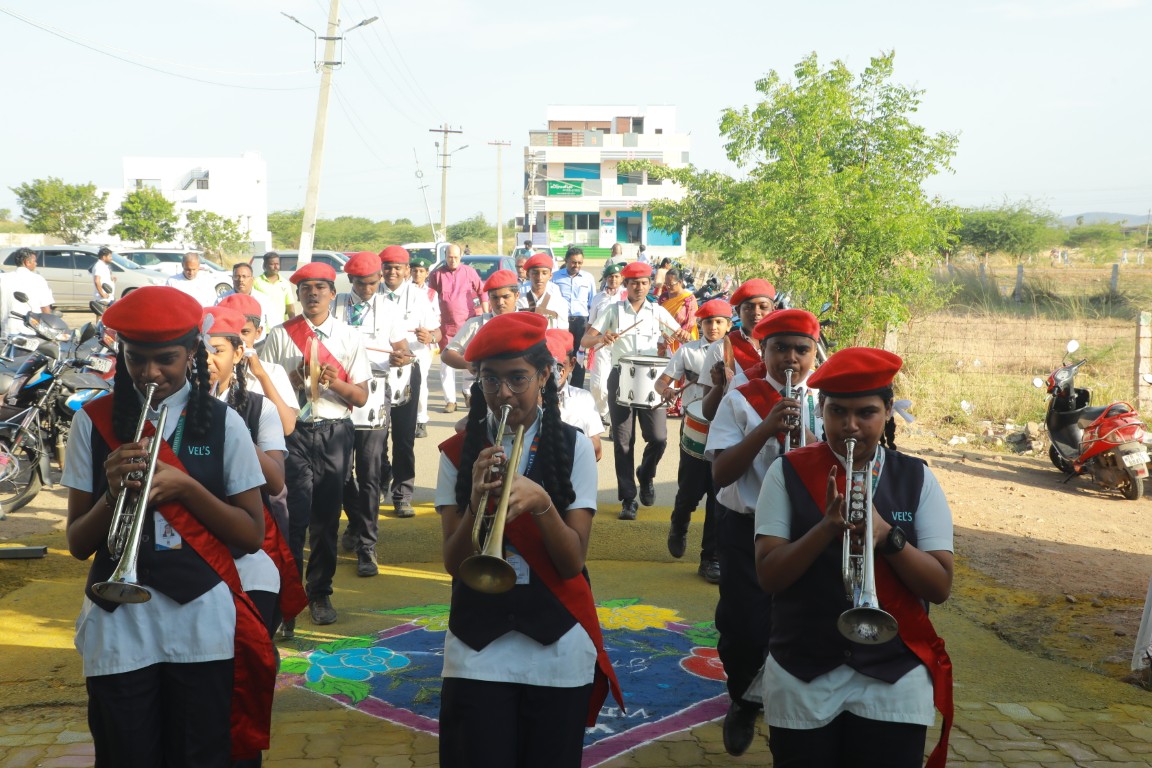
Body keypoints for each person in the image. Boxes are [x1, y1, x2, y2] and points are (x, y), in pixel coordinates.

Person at [61, 286, 274, 765]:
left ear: (192, 352)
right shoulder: (91, 422)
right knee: (126, 753)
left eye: (166, 359)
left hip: (200, 621)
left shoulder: (224, 422)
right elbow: (77, 543)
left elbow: (250, 535)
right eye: (136, 359)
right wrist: (112, 492)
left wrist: (187, 490)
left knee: (200, 755)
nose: (150, 373)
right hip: (119, 624)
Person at [435, 311, 622, 768]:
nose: (503, 393)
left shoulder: (575, 447)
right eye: (490, 380)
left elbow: (572, 562)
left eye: (517, 378)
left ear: (544, 376)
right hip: (477, 650)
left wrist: (542, 505)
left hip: (556, 649)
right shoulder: (457, 453)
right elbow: (453, 564)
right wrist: (476, 501)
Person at [754, 346, 954, 768]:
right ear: (820, 411)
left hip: (894, 674)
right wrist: (825, 528)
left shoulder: (917, 478)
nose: (850, 426)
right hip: (803, 669)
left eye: (866, 413)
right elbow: (769, 576)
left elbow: (939, 586)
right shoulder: (785, 472)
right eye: (837, 412)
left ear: (888, 412)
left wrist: (888, 538)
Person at [705, 308, 823, 756]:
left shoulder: (825, 398)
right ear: (763, 350)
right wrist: (767, 428)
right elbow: (721, 473)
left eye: (801, 349)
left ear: (814, 352)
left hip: (807, 528)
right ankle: (743, 699)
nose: (790, 358)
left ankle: (796, 707)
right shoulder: (740, 397)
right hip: (746, 526)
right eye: (780, 348)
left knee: (804, 620)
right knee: (744, 625)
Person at [201, 305, 308, 762]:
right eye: (200, 350)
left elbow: (277, 481)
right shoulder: (176, 406)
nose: (208, 360)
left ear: (238, 353)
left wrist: (231, 428)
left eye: (218, 350)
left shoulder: (257, 408)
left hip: (249, 551)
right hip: (192, 552)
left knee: (247, 661)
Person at [259, 261, 370, 627]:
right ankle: (288, 600)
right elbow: (263, 391)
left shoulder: (349, 336)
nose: (313, 294)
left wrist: (333, 382)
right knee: (291, 519)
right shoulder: (280, 335)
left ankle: (319, 592)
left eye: (320, 288)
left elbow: (361, 396)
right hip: (293, 432)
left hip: (335, 431)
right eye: (305, 288)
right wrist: (292, 382)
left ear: (332, 294)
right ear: (298, 295)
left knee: (326, 518)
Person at [581, 261, 690, 520]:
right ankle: (628, 498)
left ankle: (646, 474)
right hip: (621, 376)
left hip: (653, 379)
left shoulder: (657, 311)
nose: (639, 287)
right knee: (623, 441)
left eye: (643, 283)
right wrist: (602, 338)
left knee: (659, 437)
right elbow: (585, 340)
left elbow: (680, 335)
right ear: (625, 285)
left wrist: (683, 336)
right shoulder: (613, 310)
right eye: (633, 283)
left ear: (650, 284)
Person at [334, 252, 412, 574]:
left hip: (375, 396)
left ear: (379, 279)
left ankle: (367, 546)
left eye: (371, 283)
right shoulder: (335, 305)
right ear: (350, 280)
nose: (366, 289)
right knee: (339, 474)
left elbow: (404, 350)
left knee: (370, 474)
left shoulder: (390, 308)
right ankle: (356, 521)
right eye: (360, 283)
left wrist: (402, 357)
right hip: (339, 394)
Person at [653, 298, 731, 583]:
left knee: (718, 495)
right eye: (708, 322)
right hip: (695, 426)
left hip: (726, 429)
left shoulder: (735, 353)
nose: (713, 327)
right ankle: (679, 523)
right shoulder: (687, 351)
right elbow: (661, 382)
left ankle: (710, 558)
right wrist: (666, 391)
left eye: (719, 322)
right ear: (700, 324)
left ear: (728, 325)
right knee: (690, 489)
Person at [377, 246, 440, 515]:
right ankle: (382, 478)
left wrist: (431, 336)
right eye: (387, 267)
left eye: (397, 267)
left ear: (406, 270)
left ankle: (402, 494)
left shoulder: (418, 296)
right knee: (376, 437)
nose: (392, 272)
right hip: (376, 373)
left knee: (404, 437)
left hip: (407, 374)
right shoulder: (372, 292)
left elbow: (437, 331)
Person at [700, 278, 778, 417]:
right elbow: (708, 412)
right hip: (735, 426)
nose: (756, 312)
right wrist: (719, 386)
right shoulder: (720, 348)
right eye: (748, 307)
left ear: (774, 309)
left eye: (763, 307)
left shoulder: (783, 348)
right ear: (737, 311)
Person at [427, 244, 484, 413]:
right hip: (446, 326)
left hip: (468, 324)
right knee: (446, 364)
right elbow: (429, 297)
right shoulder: (437, 275)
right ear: (445, 257)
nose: (453, 260)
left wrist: (486, 314)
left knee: (469, 361)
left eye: (456, 257)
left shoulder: (469, 272)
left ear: (461, 257)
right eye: (450, 257)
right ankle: (450, 401)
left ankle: (467, 391)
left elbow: (482, 292)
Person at [442, 269, 521, 370]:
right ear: (488, 298)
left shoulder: (528, 322)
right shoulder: (476, 325)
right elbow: (447, 354)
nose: (500, 302)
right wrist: (468, 365)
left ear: (517, 296)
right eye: (495, 298)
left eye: (506, 297)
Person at [546, 329, 604, 461]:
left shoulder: (584, 398)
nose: (556, 373)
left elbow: (597, 452)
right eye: (550, 366)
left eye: (561, 366)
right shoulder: (532, 398)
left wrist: (570, 439)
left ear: (572, 364)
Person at [551, 246, 597, 388]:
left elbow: (592, 302)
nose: (576, 265)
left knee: (579, 356)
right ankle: (558, 385)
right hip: (561, 322)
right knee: (560, 354)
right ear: (566, 261)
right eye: (573, 262)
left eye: (579, 263)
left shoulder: (588, 278)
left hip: (581, 322)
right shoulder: (555, 277)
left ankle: (577, 388)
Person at [587, 261, 625, 423]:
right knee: (598, 385)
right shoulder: (598, 298)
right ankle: (603, 412)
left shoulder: (626, 296)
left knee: (619, 382)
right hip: (601, 344)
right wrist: (583, 347)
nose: (613, 280)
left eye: (616, 276)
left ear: (622, 278)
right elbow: (591, 324)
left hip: (621, 345)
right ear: (605, 278)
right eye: (610, 277)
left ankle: (613, 415)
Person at [409, 255, 440, 436]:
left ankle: (421, 420)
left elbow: (436, 320)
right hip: (402, 343)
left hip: (422, 344)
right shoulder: (404, 289)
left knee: (420, 383)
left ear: (427, 273)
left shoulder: (431, 294)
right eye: (415, 271)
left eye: (421, 271)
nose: (417, 274)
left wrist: (430, 337)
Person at [0, 248, 54, 337]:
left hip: (7, 331)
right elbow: (45, 309)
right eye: (35, 261)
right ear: (27, 262)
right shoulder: (38, 279)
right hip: (31, 333)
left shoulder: (2, 278)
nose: (36, 264)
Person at [221, 263, 280, 342]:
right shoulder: (222, 300)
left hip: (258, 345)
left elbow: (275, 325)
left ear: (252, 279)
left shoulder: (263, 300)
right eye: (237, 276)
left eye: (244, 276)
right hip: (231, 344)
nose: (241, 280)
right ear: (232, 279)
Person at [517, 252, 569, 330]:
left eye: (544, 273)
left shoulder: (559, 303)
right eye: (535, 273)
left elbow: (563, 333)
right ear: (528, 274)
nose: (539, 277)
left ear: (550, 276)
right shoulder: (519, 300)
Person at [253, 252, 297, 323]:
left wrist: (293, 322)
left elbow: (289, 305)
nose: (276, 267)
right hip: (262, 325)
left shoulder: (285, 283)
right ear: (265, 265)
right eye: (272, 264)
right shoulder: (256, 282)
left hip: (279, 324)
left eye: (277, 264)